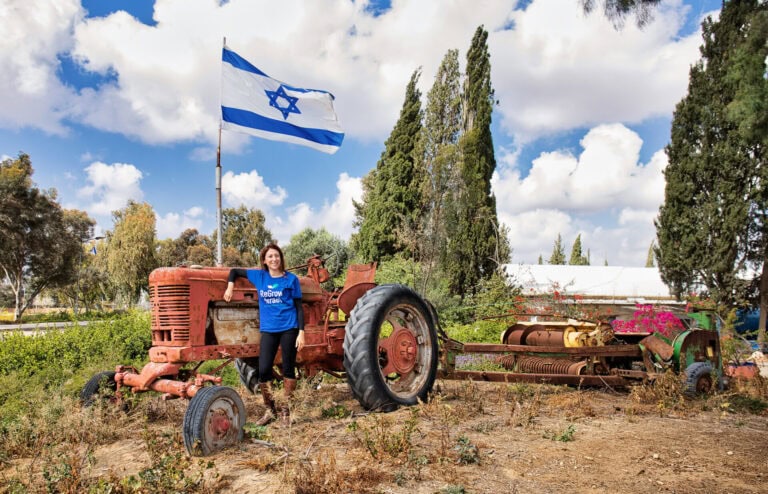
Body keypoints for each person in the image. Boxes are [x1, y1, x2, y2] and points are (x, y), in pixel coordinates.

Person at [223, 243, 305, 425]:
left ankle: (286, 412)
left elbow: (299, 308)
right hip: (268, 329)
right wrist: (230, 287)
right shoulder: (259, 276)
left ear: (281, 258)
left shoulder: (291, 280)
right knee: (264, 369)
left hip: (289, 328)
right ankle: (270, 410)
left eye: (277, 256)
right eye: (270, 257)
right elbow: (234, 271)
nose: (274, 259)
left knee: (288, 368)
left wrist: (301, 332)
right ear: (265, 260)